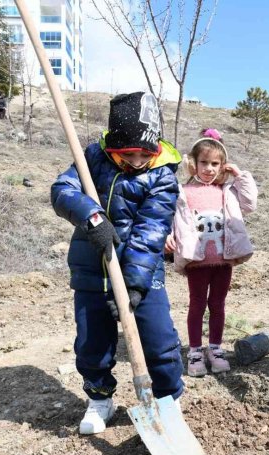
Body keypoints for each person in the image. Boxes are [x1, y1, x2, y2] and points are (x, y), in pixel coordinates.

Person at [51, 91, 184, 435]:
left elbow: (151, 230)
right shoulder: (93, 158)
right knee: (92, 342)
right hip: (91, 270)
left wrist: (136, 283)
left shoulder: (163, 176)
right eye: (128, 154)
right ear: (112, 146)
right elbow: (62, 191)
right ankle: (99, 398)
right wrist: (92, 217)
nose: (138, 160)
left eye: (146, 153)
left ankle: (168, 402)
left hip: (142, 274)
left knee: (159, 341)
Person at [165, 128, 258, 377]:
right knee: (197, 304)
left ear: (222, 166)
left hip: (223, 260)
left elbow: (250, 203)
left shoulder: (227, 191)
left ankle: (215, 349)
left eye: (215, 163)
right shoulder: (182, 191)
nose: (209, 168)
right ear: (193, 164)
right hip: (196, 261)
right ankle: (195, 351)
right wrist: (167, 235)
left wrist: (240, 176)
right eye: (203, 162)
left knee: (218, 304)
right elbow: (169, 216)